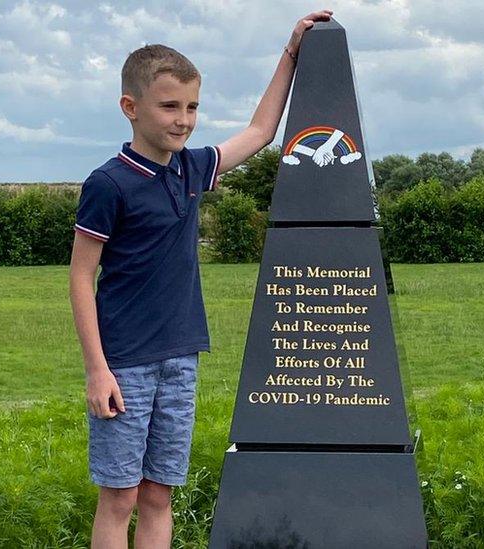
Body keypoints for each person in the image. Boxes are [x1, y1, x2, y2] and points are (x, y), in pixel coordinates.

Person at [69, 10, 333, 549]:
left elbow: (260, 132)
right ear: (130, 107)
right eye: (169, 106)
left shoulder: (191, 169)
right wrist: (98, 370)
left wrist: (291, 53)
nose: (184, 119)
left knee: (159, 495)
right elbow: (79, 277)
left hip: (181, 357)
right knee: (119, 498)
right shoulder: (108, 184)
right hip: (125, 363)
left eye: (192, 107)